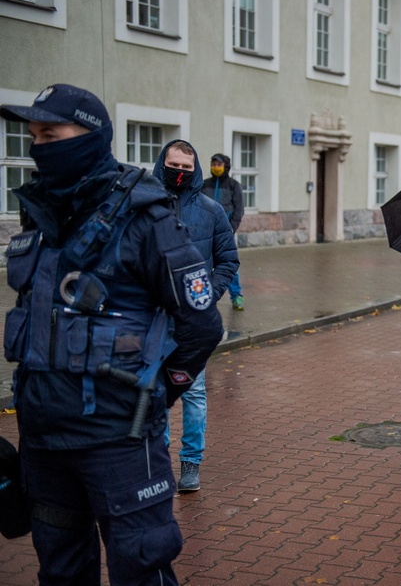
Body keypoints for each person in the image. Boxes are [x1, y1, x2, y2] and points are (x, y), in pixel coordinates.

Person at [1, 84, 223, 585]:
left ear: (89, 136)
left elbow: (202, 323)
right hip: (43, 443)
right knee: (60, 573)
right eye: (33, 135)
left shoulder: (147, 218)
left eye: (50, 134)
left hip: (117, 443)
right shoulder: (36, 214)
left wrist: (163, 388)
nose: (38, 147)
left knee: (141, 570)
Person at [154, 140, 239, 492]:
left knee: (193, 393)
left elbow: (228, 261)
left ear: (196, 169)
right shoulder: (143, 205)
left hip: (192, 322)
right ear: (162, 164)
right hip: (151, 319)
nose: (180, 173)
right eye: (174, 165)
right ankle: (157, 462)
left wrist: (205, 297)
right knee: (151, 391)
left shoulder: (211, 210)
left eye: (186, 168)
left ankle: (190, 464)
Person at [202, 153, 246, 310]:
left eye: (219, 165)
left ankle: (236, 296)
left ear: (226, 166)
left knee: (228, 264)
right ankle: (201, 296)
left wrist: (230, 229)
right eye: (213, 164)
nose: (215, 167)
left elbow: (238, 211)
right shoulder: (204, 184)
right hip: (205, 232)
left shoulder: (234, 185)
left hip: (225, 234)